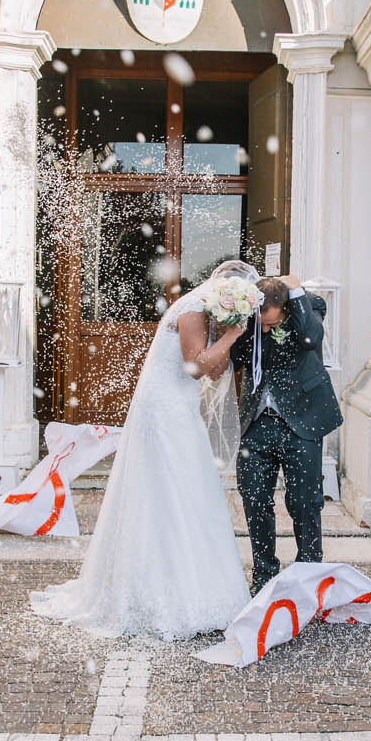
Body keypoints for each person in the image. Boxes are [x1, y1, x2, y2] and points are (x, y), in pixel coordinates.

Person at [30, 261, 254, 637]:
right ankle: (161, 593)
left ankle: (193, 583)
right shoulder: (193, 309)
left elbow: (213, 368)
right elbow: (193, 368)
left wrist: (225, 344)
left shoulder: (207, 312)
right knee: (167, 492)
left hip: (179, 409)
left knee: (188, 491)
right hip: (165, 411)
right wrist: (231, 337)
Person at [231, 274, 343, 593]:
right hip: (257, 422)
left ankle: (309, 574)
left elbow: (310, 340)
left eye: (271, 323)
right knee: (254, 498)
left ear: (285, 307)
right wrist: (235, 323)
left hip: (302, 419)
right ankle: (265, 573)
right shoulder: (250, 317)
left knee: (305, 501)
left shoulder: (309, 307)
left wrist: (295, 293)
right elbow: (237, 358)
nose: (265, 329)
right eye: (261, 323)